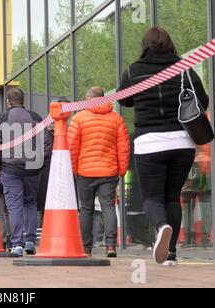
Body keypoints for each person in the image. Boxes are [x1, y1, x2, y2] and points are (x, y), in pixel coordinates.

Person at [118, 27, 209, 265]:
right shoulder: (184, 68)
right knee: (172, 197)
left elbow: (124, 100)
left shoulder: (133, 70)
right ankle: (170, 254)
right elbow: (204, 101)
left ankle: (161, 226)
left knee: (151, 197)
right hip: (182, 141)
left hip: (149, 143)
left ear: (145, 45)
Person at [68, 86, 130, 257]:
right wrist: (122, 170)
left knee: (86, 209)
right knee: (108, 207)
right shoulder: (116, 119)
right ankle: (110, 246)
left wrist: (73, 170)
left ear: (89, 98)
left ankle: (86, 248)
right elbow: (123, 147)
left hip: (84, 172)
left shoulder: (78, 119)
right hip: (109, 172)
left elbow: (72, 146)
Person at [0, 87, 52, 256]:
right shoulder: (35, 117)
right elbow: (47, 142)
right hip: (33, 169)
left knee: (14, 206)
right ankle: (30, 242)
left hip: (10, 169)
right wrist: (41, 162)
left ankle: (17, 243)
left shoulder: (1, 118)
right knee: (30, 203)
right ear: (23, 101)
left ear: (8, 102)